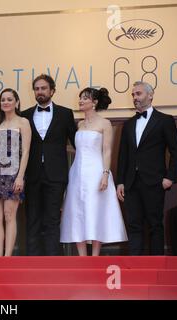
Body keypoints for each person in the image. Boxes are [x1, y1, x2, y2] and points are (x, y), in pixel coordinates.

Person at [117, 81, 177, 255]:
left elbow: (176, 151)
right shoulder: (128, 124)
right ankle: (135, 268)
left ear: (150, 95)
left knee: (155, 224)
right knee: (133, 225)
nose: (135, 98)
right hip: (131, 183)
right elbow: (123, 155)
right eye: (133, 95)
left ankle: (156, 268)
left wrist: (170, 177)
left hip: (154, 181)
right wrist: (120, 182)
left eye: (138, 94)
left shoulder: (165, 120)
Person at [60, 87, 127, 256]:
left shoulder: (104, 123)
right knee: (77, 211)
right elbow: (79, 148)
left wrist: (105, 173)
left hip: (96, 171)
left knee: (96, 210)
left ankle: (95, 256)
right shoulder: (80, 124)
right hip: (77, 172)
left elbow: (107, 150)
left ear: (94, 102)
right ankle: (82, 257)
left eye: (85, 98)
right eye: (80, 98)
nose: (81, 100)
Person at [21, 74, 77, 256]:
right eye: (37, 89)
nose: (40, 92)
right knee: (32, 218)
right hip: (32, 174)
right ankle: (32, 263)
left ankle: (54, 263)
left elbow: (77, 143)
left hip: (56, 174)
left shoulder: (65, 113)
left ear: (52, 91)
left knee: (53, 219)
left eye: (43, 88)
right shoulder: (25, 115)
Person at [0, 88, 31, 256]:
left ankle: (7, 257)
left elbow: (26, 151)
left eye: (9, 99)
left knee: (9, 215)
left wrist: (20, 177)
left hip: (13, 173)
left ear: (17, 102)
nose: (5, 102)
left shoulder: (23, 123)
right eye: (3, 99)